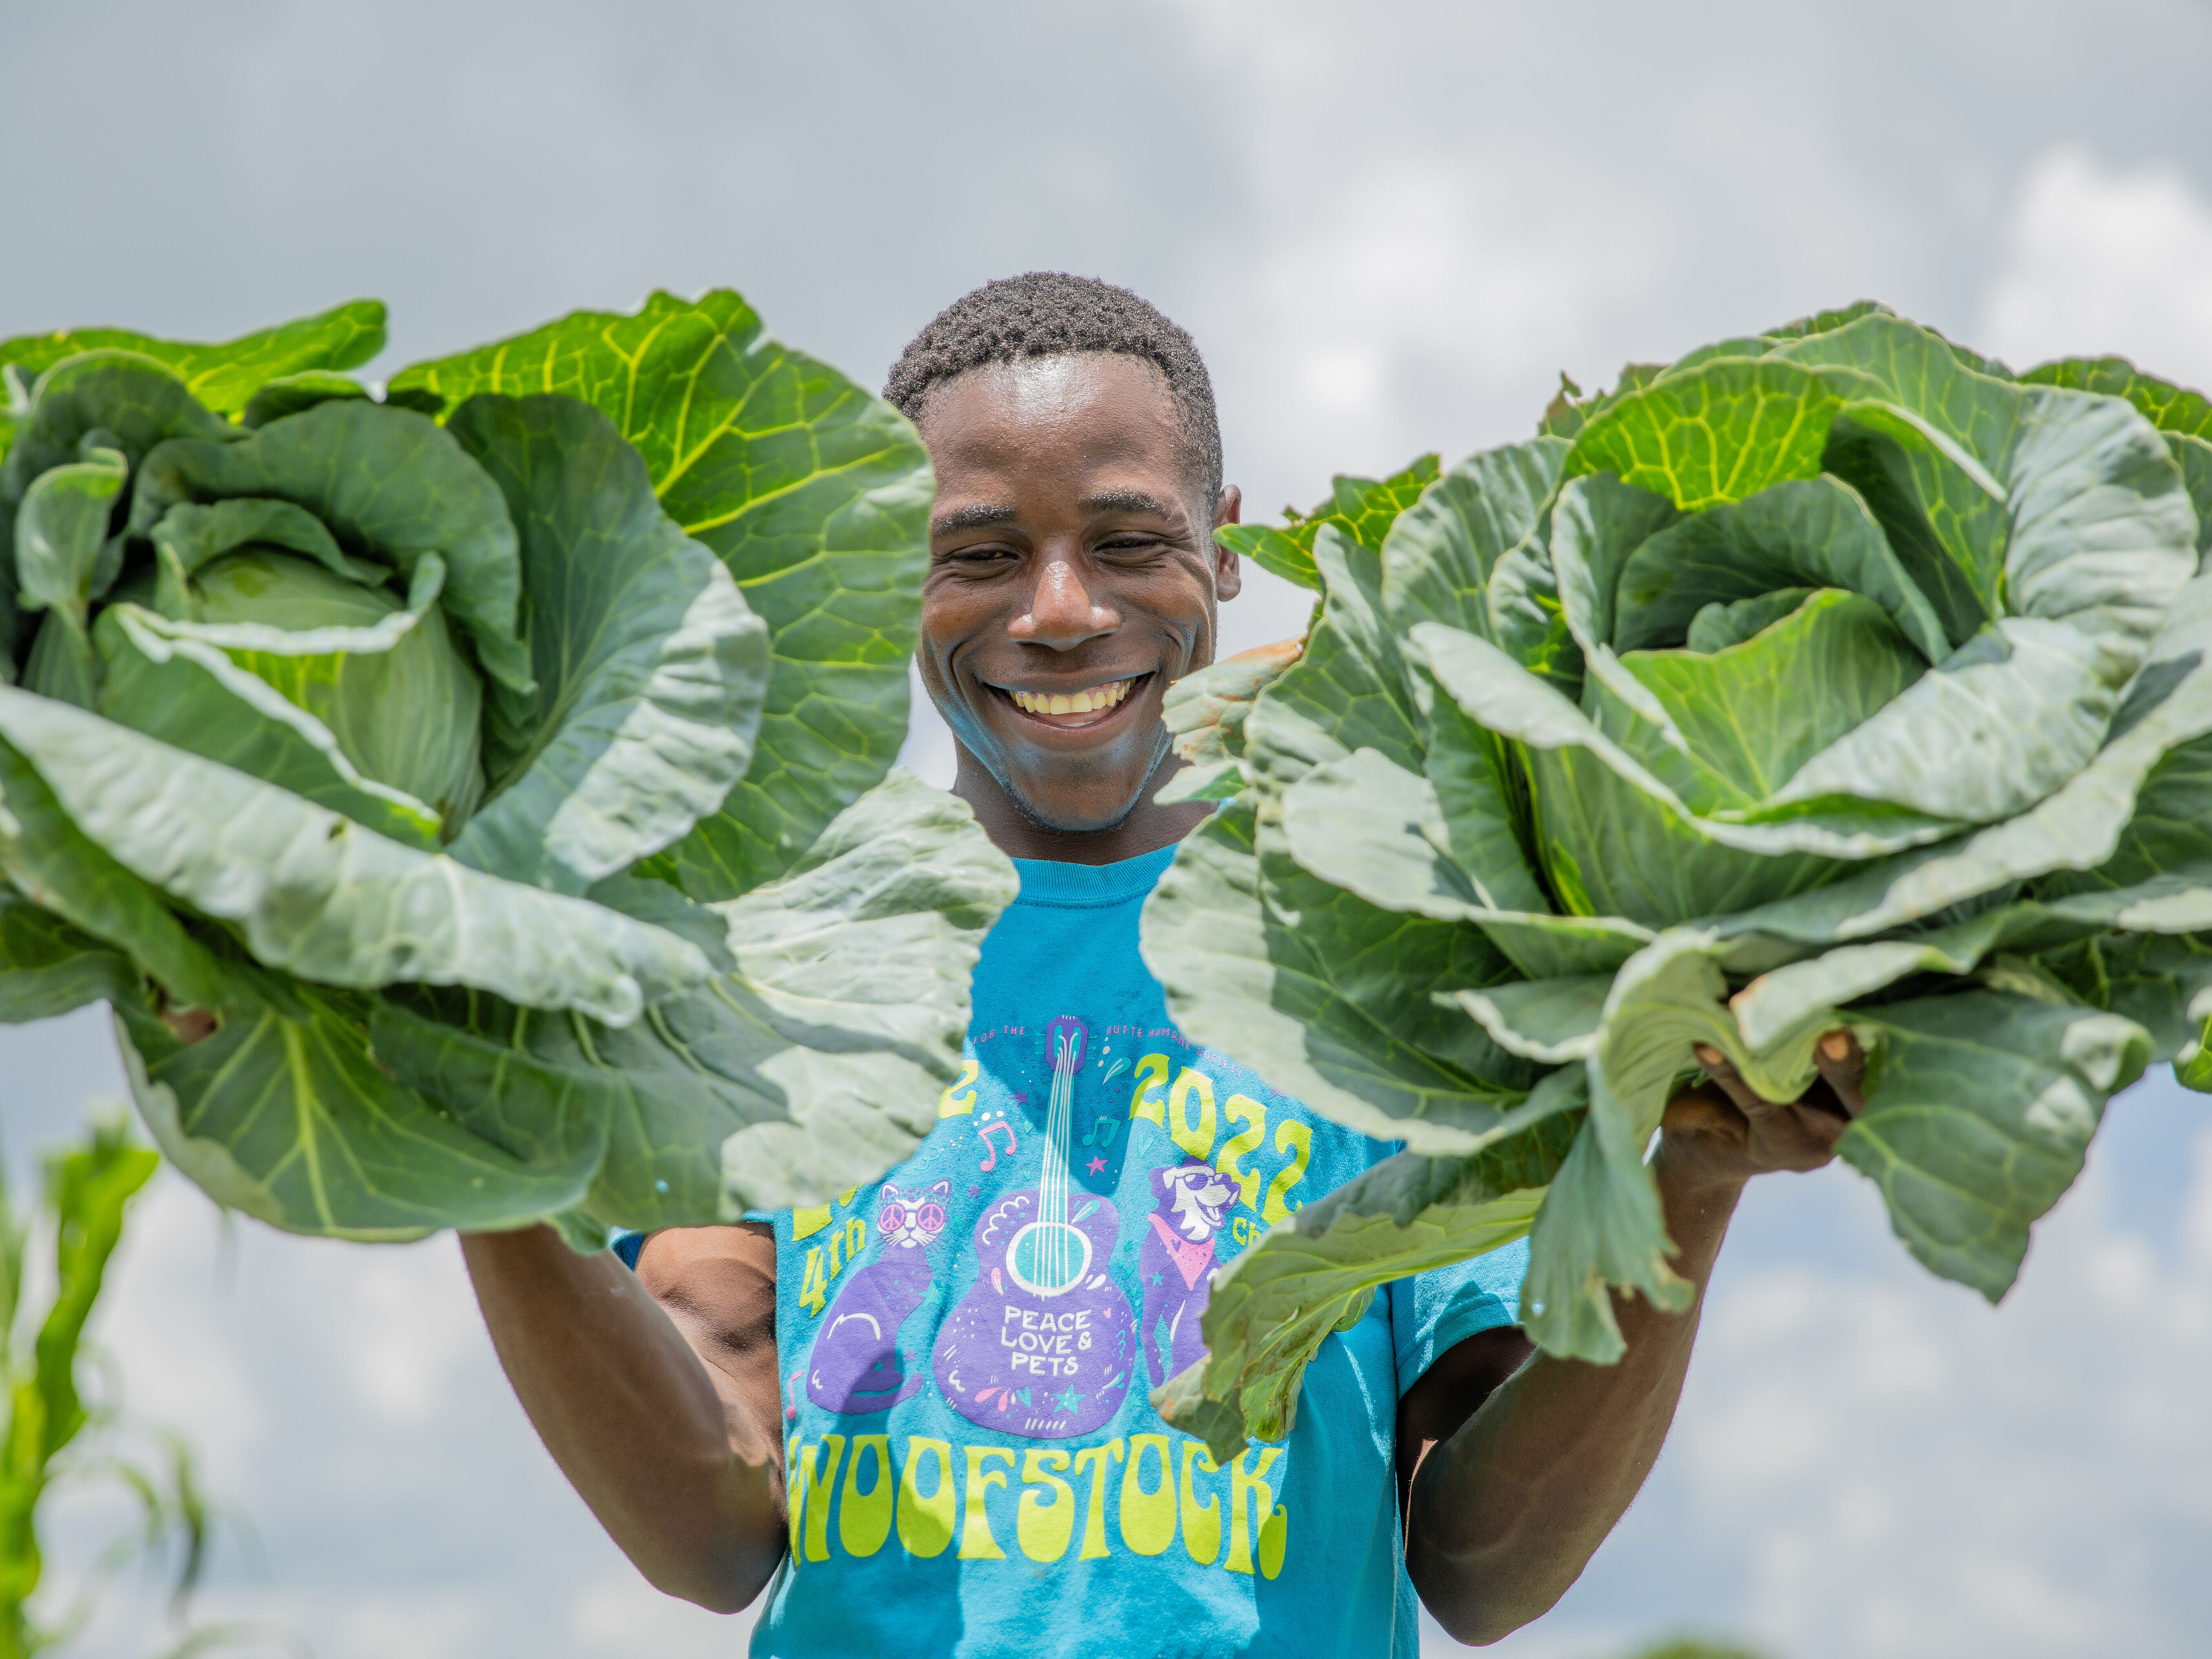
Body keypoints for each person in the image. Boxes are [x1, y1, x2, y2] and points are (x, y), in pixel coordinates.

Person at [461, 273, 1869, 1655]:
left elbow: (1481, 1568)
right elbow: (711, 1531)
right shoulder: (768, 954)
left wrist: (1692, 1179)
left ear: (1226, 545)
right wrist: (470, 1146)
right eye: (979, 554)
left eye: (1130, 541)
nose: (1061, 608)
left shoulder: (1389, 944)